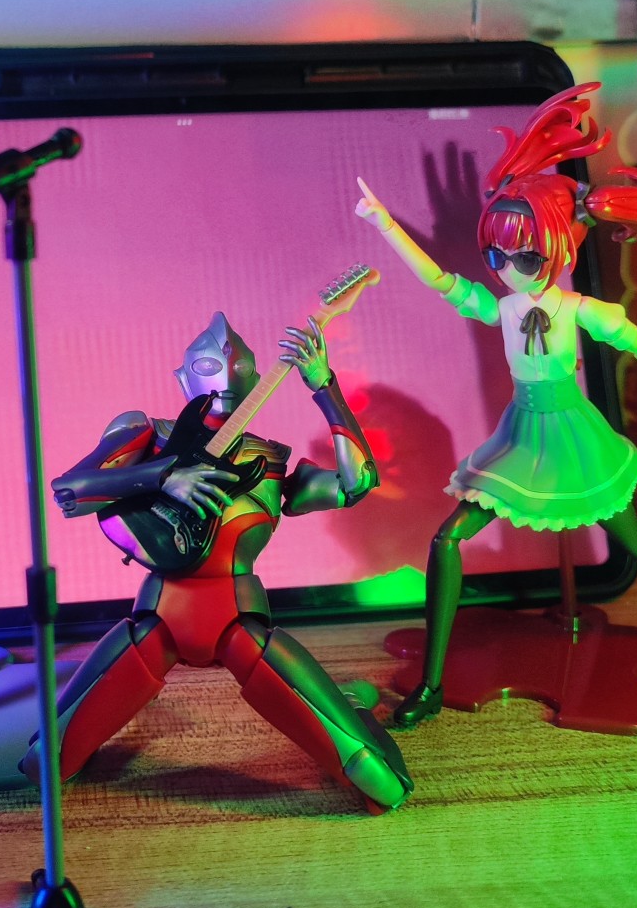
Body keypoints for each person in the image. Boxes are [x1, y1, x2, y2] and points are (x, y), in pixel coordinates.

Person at [354, 82, 637, 730]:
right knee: (449, 538)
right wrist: (385, 224)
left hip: (574, 434)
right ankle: (432, 684)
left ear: (560, 246)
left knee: (633, 536)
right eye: (497, 254)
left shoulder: (579, 308)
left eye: (525, 255)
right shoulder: (502, 307)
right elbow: (440, 281)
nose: (509, 267)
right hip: (521, 435)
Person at [23, 311, 413, 813]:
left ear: (256, 378)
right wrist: (163, 476)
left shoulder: (268, 460)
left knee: (376, 778)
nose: (226, 376)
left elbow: (356, 483)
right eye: (208, 365)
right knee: (47, 763)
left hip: (239, 619)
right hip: (159, 616)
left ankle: (351, 712)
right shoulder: (149, 434)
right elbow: (71, 491)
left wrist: (324, 387)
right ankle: (347, 708)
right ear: (183, 377)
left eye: (240, 367)